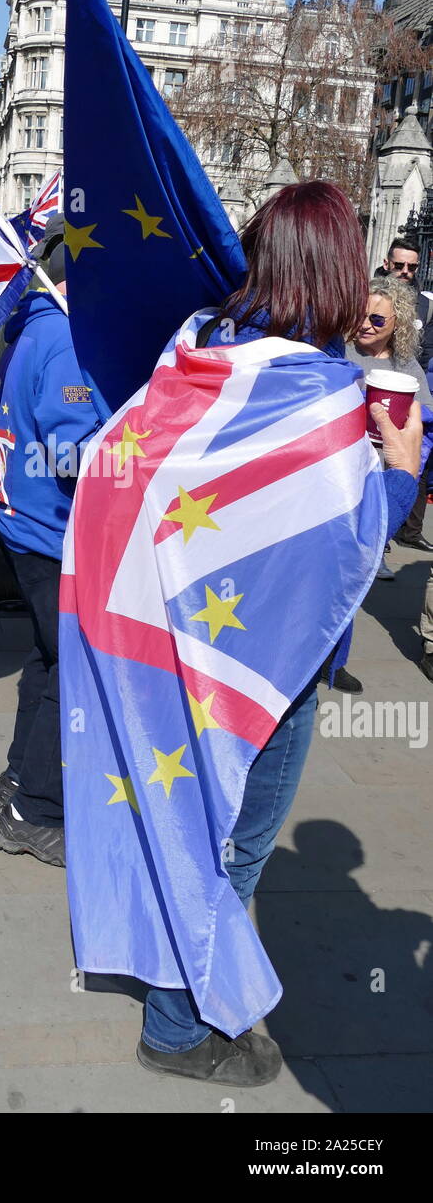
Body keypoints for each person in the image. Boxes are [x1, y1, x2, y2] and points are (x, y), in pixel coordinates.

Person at [136, 182, 421, 1085]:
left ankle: (176, 985)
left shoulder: (203, 353)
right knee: (237, 845)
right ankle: (178, 1027)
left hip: (186, 638)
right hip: (277, 665)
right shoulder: (320, 388)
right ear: (335, 270)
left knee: (194, 821)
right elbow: (350, 544)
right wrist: (403, 472)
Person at [0, 214, 101, 867]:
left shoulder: (32, 327)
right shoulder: (62, 337)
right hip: (49, 536)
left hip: (20, 527)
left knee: (45, 658)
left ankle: (15, 779)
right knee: (75, 668)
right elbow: (71, 453)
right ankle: (34, 811)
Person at [347, 272, 432, 584]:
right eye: (361, 315)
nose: (366, 324)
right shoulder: (340, 352)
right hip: (345, 455)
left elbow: (425, 409)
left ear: (398, 322)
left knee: (377, 513)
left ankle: (376, 553)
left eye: (377, 320)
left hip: (385, 460)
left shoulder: (405, 364)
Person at [377, 237, 433, 550]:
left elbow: (428, 346)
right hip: (377, 379)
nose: (405, 271)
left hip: (410, 383)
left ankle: (408, 531)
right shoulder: (369, 293)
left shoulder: (425, 302)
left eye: (411, 266)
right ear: (387, 264)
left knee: (414, 455)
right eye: (399, 265)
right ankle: (377, 531)